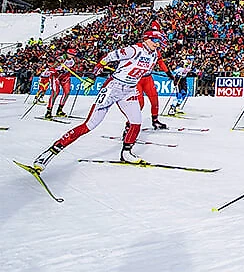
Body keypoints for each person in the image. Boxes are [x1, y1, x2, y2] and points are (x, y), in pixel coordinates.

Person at [31, 30, 167, 171]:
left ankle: (126, 153)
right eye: (155, 41)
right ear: (147, 39)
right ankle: (50, 152)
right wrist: (94, 74)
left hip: (129, 90)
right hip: (113, 87)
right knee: (89, 125)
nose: (157, 44)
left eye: (159, 42)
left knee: (136, 122)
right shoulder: (133, 50)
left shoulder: (154, 55)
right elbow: (108, 58)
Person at [45, 48, 79, 118]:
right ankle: (49, 111)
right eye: (72, 54)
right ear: (68, 53)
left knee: (67, 92)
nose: (73, 56)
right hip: (56, 77)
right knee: (55, 92)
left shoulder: (72, 61)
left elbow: (70, 69)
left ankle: (59, 110)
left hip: (65, 77)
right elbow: (51, 68)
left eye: (74, 55)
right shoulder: (61, 59)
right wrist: (57, 71)